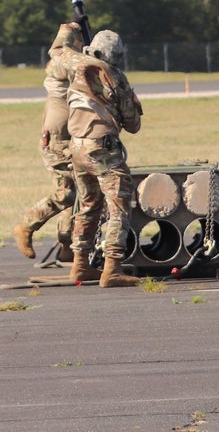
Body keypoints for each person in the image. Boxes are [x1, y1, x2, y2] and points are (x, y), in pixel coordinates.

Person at [66, 29, 143, 288]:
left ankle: (80, 265)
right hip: (102, 149)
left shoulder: (76, 71)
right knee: (119, 204)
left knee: (88, 204)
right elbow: (133, 124)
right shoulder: (115, 77)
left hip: (77, 147)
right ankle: (112, 268)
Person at [12, 20, 85, 261]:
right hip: (57, 140)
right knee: (66, 193)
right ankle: (26, 226)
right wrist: (70, 29)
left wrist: (76, 28)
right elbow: (62, 53)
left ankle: (68, 245)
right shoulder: (60, 66)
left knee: (80, 190)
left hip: (71, 137)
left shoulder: (66, 63)